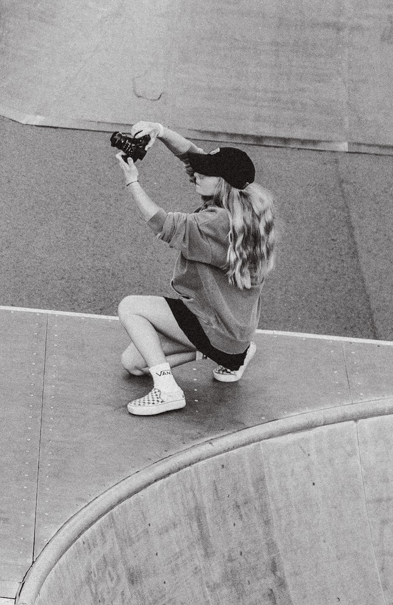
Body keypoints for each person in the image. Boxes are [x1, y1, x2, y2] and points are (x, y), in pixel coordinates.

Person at [112, 125, 277, 417]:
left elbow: (163, 225)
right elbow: (192, 155)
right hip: (232, 331)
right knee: (134, 363)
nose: (197, 174)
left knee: (131, 307)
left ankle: (167, 390)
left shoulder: (218, 223)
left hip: (213, 323)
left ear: (223, 182)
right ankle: (233, 354)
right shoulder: (246, 208)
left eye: (206, 173)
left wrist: (132, 182)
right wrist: (159, 131)